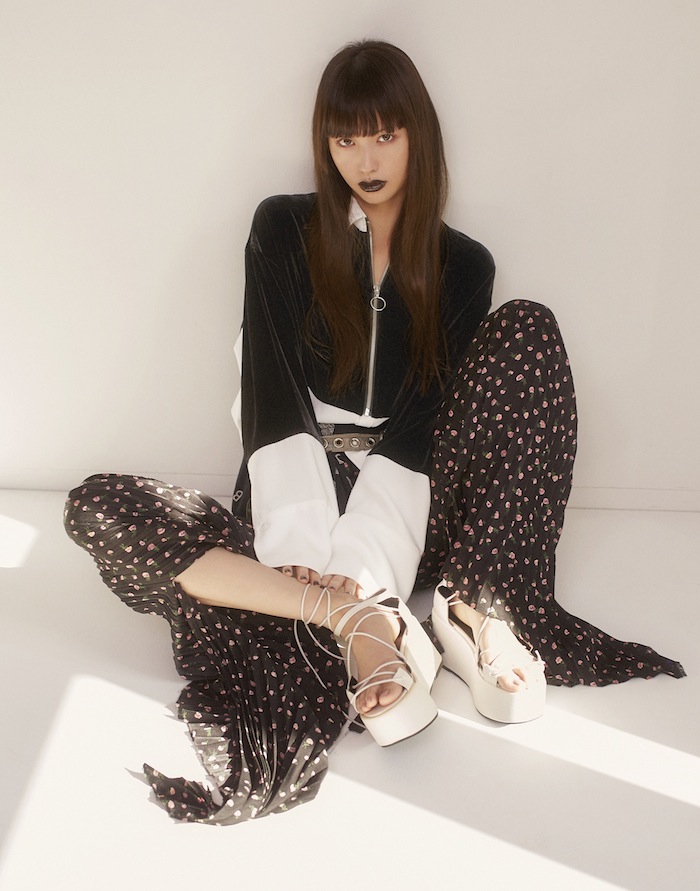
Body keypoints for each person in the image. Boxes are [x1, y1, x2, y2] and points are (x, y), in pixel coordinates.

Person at [64, 40, 684, 825]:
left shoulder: (462, 264)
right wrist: (300, 543)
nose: (367, 159)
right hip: (290, 481)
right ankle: (351, 619)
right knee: (99, 502)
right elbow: (271, 389)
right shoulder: (283, 227)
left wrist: (361, 562)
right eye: (346, 138)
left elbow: (422, 424)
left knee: (529, 328)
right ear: (324, 145)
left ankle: (472, 606)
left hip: (409, 491)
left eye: (386, 134)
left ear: (418, 135)